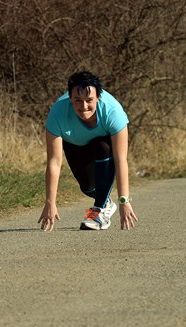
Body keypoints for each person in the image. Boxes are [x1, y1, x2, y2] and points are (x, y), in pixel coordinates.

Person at [38, 71, 138, 231]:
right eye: (77, 101)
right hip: (74, 144)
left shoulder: (113, 112)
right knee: (88, 187)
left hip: (104, 147)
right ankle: (106, 202)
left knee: (102, 146)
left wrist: (124, 201)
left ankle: (98, 212)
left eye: (89, 100)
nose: (84, 107)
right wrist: (50, 203)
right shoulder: (57, 113)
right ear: (70, 98)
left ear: (98, 97)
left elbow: (120, 160)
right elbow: (54, 162)